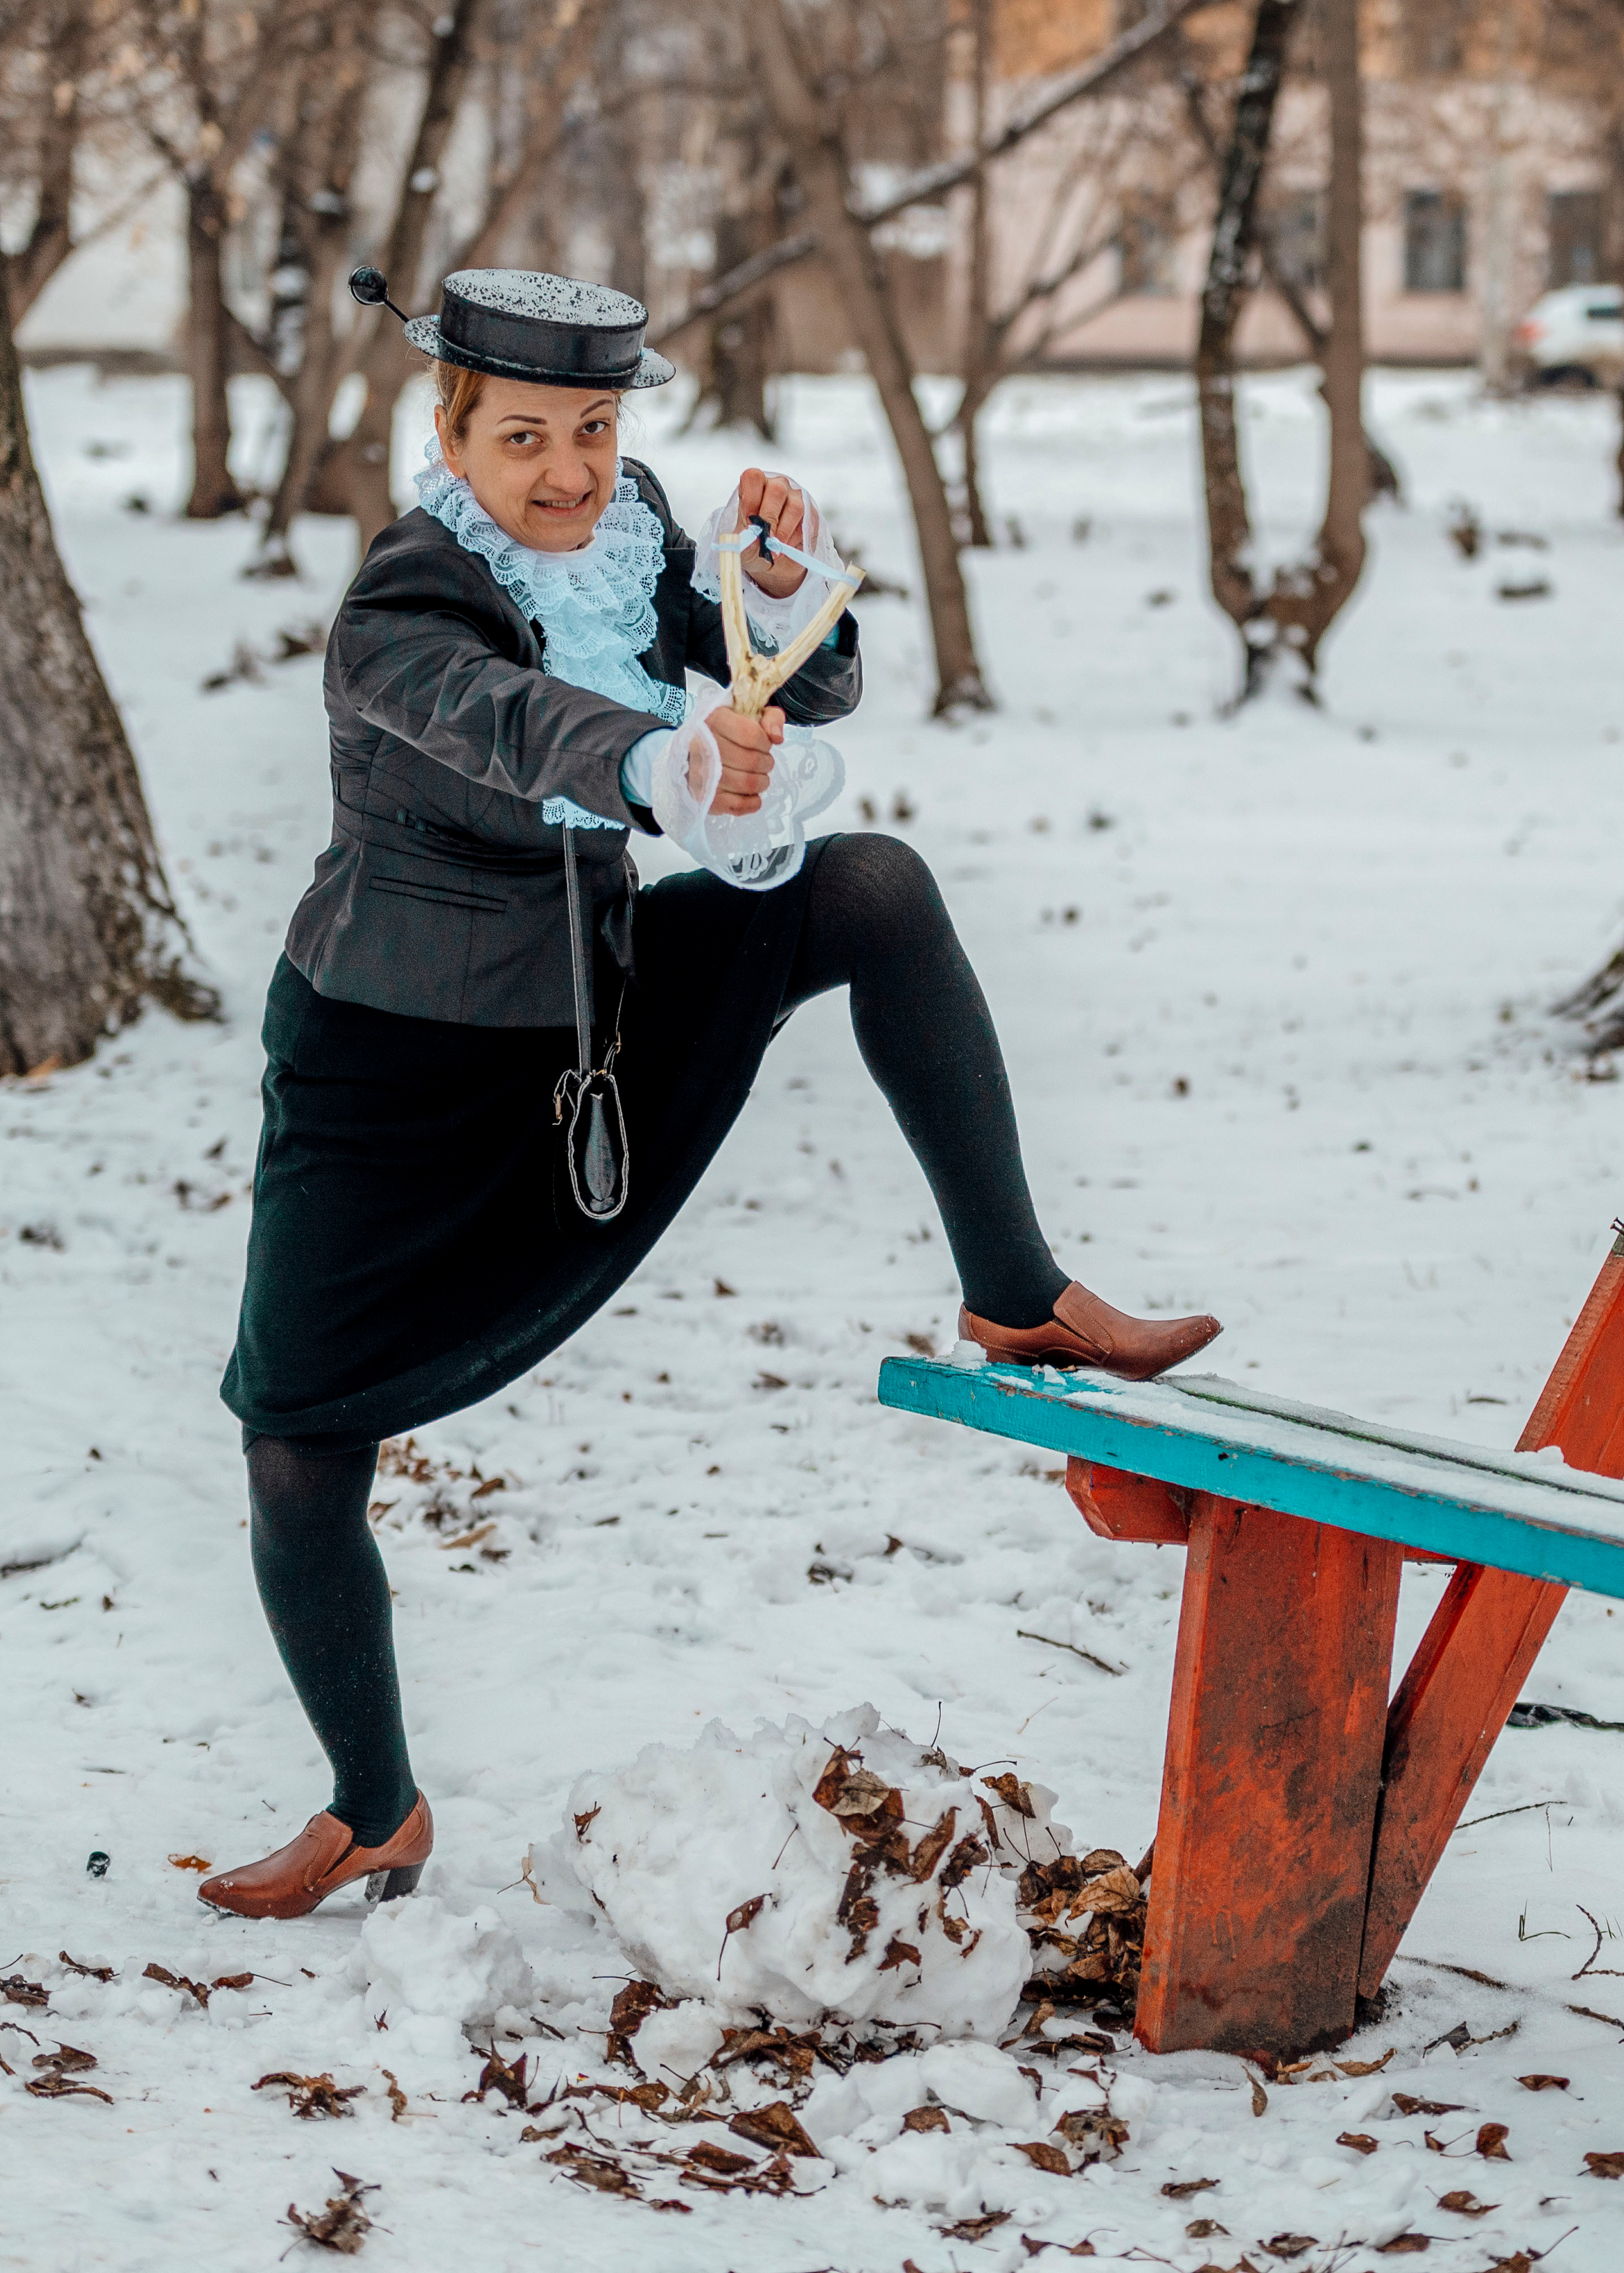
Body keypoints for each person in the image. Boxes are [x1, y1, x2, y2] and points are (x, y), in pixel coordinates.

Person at [200, 268, 1220, 1923]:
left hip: (588, 1019)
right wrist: (656, 762)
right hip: (389, 1065)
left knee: (867, 887)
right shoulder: (404, 602)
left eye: (592, 430)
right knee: (297, 1447)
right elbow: (507, 721)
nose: (567, 469)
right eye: (524, 434)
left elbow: (793, 697)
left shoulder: (632, 541)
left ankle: (1017, 1290)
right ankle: (374, 1808)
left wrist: (779, 602)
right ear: (453, 430)